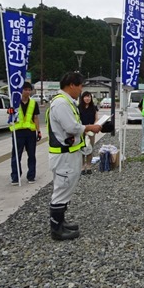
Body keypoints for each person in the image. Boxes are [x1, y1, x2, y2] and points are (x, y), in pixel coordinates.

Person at [47, 72, 107, 241]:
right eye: (80, 86)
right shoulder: (60, 103)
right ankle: (56, 229)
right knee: (62, 188)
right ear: (71, 85)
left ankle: (61, 222)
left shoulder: (66, 102)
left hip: (69, 152)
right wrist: (90, 127)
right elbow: (71, 127)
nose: (81, 90)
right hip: (63, 155)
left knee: (67, 188)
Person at [9, 81, 41, 185]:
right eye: (25, 90)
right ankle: (15, 176)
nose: (27, 92)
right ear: (21, 90)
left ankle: (31, 176)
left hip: (30, 132)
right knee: (16, 155)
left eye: (29, 90)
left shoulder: (33, 103)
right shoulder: (14, 102)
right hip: (18, 132)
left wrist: (38, 131)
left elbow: (36, 118)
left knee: (31, 155)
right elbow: (10, 116)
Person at [79, 91, 98, 175]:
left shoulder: (94, 107)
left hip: (91, 131)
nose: (87, 98)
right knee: (82, 149)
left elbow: (96, 118)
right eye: (86, 97)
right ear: (82, 98)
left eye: (89, 97)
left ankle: (89, 166)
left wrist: (93, 127)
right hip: (81, 131)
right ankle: (82, 167)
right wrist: (83, 129)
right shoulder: (78, 107)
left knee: (90, 149)